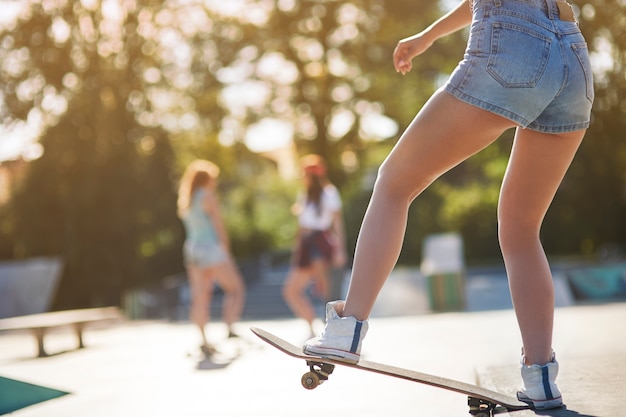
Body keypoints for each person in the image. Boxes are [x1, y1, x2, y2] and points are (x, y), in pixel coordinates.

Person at [304, 0, 593, 411]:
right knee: (521, 229)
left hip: (513, 41)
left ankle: (345, 330)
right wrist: (428, 36)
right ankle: (541, 376)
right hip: (573, 58)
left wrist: (427, 35)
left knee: (393, 184)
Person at [177, 160, 246, 353]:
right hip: (211, 249)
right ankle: (230, 327)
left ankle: (203, 339)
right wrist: (226, 250)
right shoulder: (207, 196)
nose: (214, 183)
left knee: (200, 297)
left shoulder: (188, 199)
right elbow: (218, 225)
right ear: (206, 179)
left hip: (192, 249)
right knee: (236, 288)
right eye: (213, 179)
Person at [282, 155, 347, 337]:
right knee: (291, 290)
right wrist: (297, 250)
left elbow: (337, 224)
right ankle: (312, 327)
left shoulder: (329, 193)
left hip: (321, 243)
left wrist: (340, 250)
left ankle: (332, 331)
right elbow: (302, 227)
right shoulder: (304, 195)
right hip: (306, 244)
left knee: (326, 290)